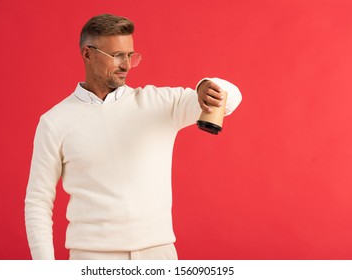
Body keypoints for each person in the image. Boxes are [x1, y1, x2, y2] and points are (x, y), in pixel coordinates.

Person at [25, 13, 242, 260]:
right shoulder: (54, 122)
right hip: (92, 259)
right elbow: (38, 202)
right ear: (87, 54)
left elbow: (231, 99)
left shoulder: (160, 103)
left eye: (130, 55)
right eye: (117, 55)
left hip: (159, 256)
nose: (126, 65)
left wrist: (207, 84)